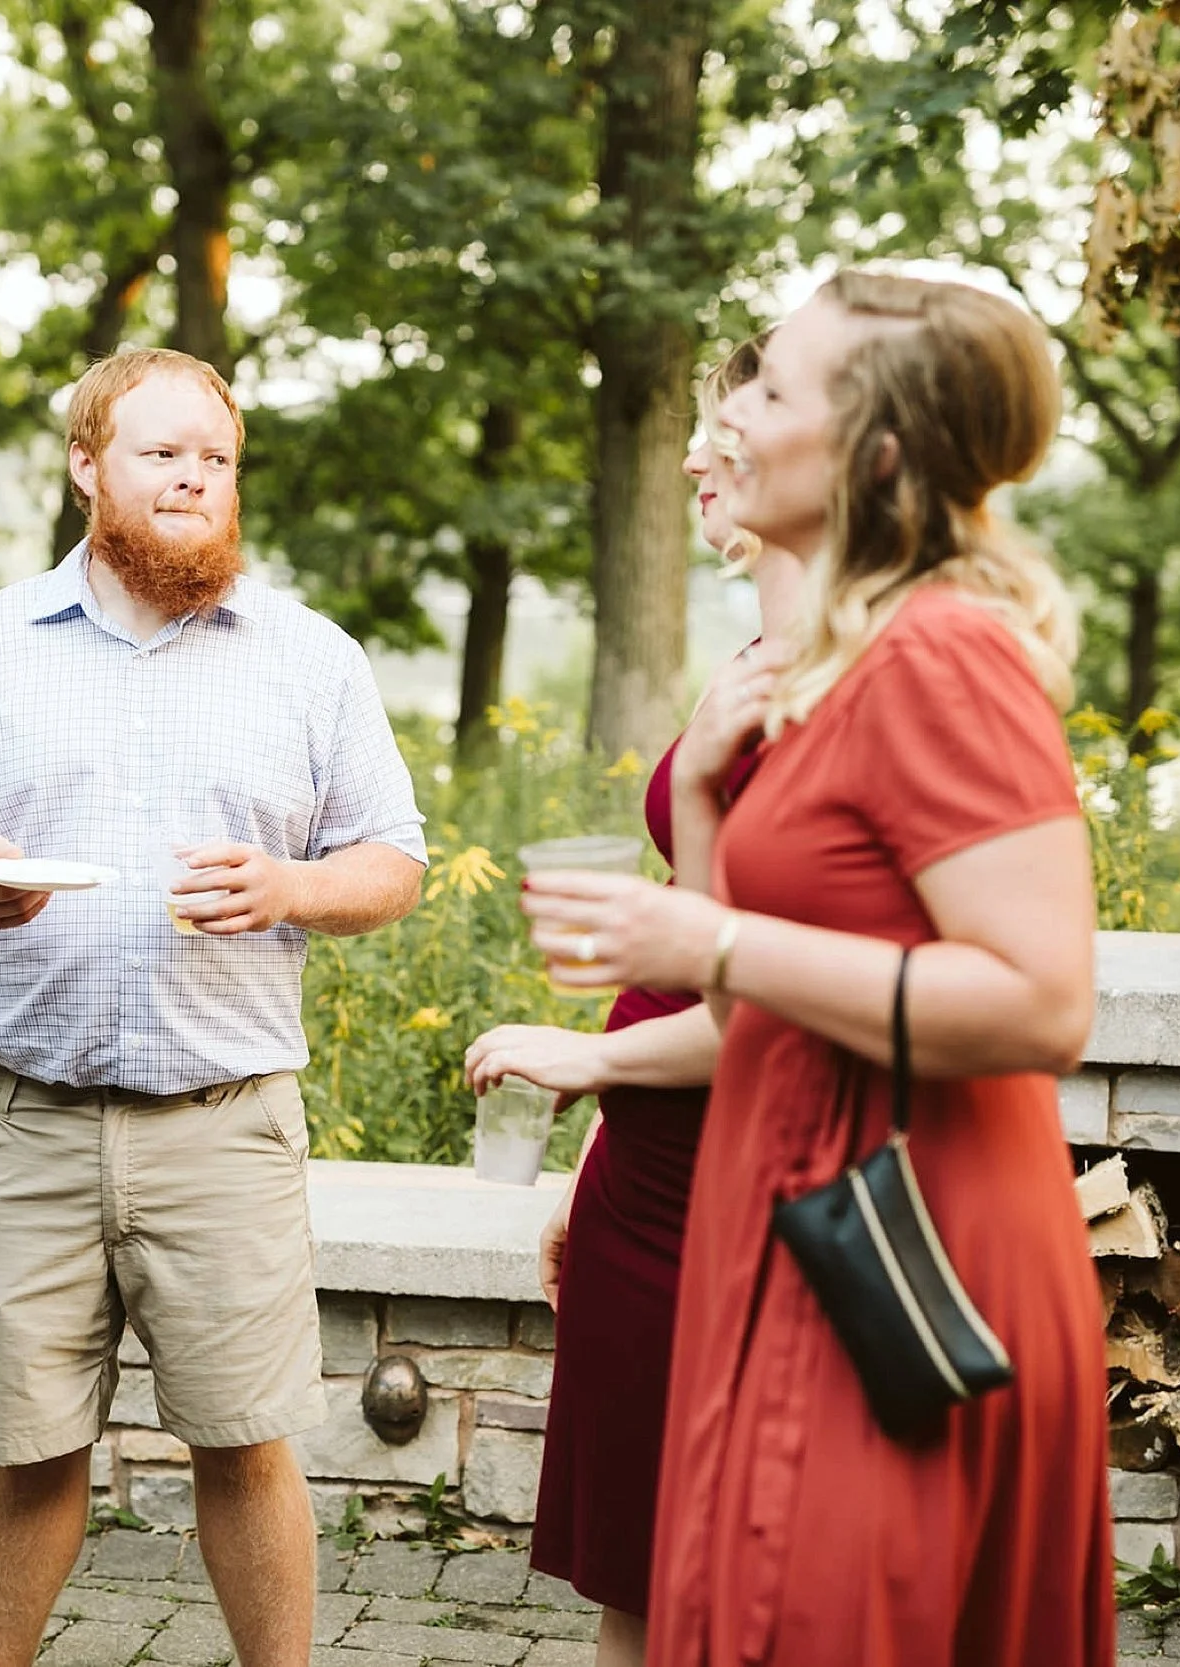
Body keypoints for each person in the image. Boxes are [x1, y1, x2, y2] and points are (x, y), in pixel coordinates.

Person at [521, 271, 1110, 1667]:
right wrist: (713, 804)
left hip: (900, 1242)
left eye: (771, 392)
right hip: (781, 1213)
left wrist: (708, 936)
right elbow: (744, 1007)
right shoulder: (835, 658)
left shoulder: (946, 653)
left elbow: (1044, 998)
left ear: (877, 453)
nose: (724, 429)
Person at [0, 347, 427, 1667]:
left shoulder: (307, 656)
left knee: (242, 1438)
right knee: (31, 1449)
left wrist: (291, 882)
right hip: (31, 1124)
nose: (191, 477)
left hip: (224, 1125)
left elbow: (392, 855)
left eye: (213, 458)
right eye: (161, 451)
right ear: (85, 464)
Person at [460, 337, 802, 1667]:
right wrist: (592, 1164)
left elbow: (770, 994)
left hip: (739, 1187)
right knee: (638, 1579)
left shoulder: (823, 682)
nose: (689, 458)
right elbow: (696, 931)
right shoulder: (754, 654)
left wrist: (580, 1059)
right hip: (645, 1176)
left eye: (722, 427)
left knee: (737, 1580)